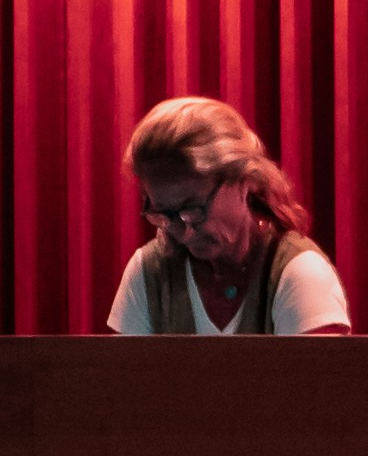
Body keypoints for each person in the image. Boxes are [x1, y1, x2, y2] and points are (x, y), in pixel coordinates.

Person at [106, 95, 352, 337]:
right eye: (165, 214)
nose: (184, 231)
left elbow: (315, 378)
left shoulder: (299, 273)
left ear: (244, 180)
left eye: (194, 208)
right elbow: (122, 376)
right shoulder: (148, 271)